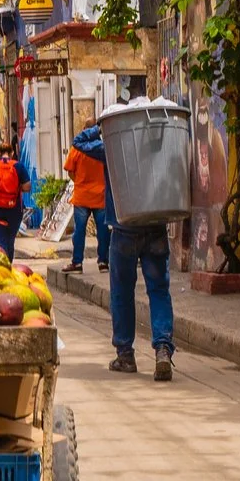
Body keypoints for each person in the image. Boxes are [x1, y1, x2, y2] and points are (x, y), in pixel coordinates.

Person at [101, 158, 172, 379]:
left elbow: (81, 144)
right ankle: (163, 349)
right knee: (159, 290)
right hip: (156, 223)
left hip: (124, 227)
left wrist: (102, 134)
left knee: (122, 293)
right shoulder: (158, 141)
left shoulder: (112, 144)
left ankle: (125, 355)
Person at [64, 121, 110, 272]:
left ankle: (77, 263)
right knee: (103, 231)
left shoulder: (77, 149)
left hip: (82, 196)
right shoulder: (103, 148)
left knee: (79, 231)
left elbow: (70, 171)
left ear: (84, 130)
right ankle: (103, 262)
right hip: (100, 196)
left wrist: (79, 182)